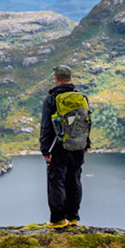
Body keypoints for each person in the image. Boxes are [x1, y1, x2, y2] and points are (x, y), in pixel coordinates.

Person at [38, 64, 88, 225]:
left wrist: (45, 150)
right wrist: (86, 143)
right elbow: (86, 122)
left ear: (56, 78)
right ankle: (73, 217)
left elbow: (46, 127)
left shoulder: (51, 99)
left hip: (58, 146)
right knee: (74, 179)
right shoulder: (81, 98)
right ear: (70, 78)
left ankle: (58, 219)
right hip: (78, 145)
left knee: (56, 181)